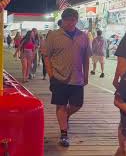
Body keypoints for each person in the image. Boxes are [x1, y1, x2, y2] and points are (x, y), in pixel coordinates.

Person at [44, 8, 91, 147]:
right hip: (59, 77)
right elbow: (47, 56)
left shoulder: (83, 36)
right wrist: (51, 75)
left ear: (77, 20)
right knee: (61, 105)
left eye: (73, 20)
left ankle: (66, 116)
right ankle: (64, 134)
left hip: (77, 77)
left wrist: (86, 75)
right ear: (62, 21)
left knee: (77, 104)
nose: (71, 23)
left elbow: (86, 58)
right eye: (68, 20)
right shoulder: (53, 36)